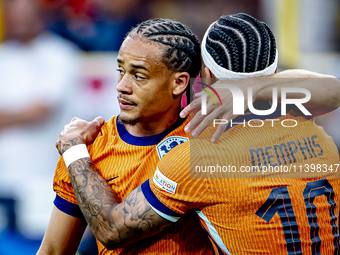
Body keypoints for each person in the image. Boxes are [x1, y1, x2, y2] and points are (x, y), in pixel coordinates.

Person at [39, 17, 340, 254]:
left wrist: (73, 152)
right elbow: (330, 89)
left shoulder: (200, 151)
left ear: (196, 77)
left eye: (139, 75)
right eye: (120, 71)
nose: (121, 86)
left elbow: (112, 231)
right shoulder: (314, 129)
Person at [0, 0, 79, 239]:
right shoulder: (3, 55)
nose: (20, 20)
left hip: (42, 177)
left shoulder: (60, 54)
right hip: (4, 174)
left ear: (42, 16)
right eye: (15, 13)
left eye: (27, 14)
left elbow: (41, 111)